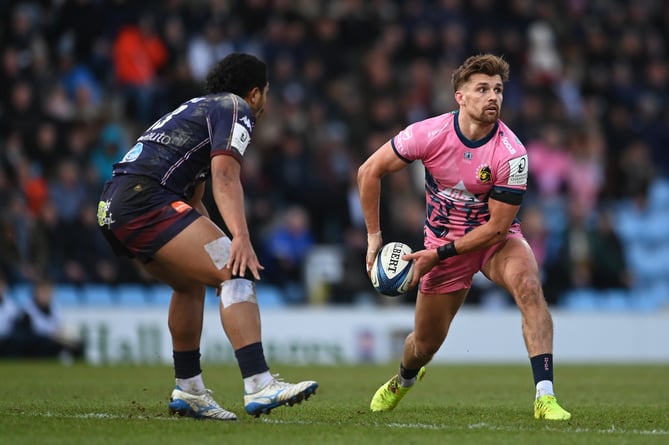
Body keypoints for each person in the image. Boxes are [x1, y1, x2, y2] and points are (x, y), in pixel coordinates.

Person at [97, 53, 318, 420]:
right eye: (266, 93)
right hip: (144, 201)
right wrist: (239, 237)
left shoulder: (198, 109)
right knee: (236, 269)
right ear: (255, 93)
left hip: (115, 205)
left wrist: (215, 240)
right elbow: (225, 176)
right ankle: (259, 384)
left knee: (189, 284)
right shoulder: (235, 108)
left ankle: (189, 390)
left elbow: (194, 202)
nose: (265, 102)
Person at [357, 54, 571, 421]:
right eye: (483, 89)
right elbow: (368, 171)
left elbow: (498, 229)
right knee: (423, 345)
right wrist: (374, 238)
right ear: (460, 96)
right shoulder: (428, 134)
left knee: (529, 286)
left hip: (492, 243)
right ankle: (403, 380)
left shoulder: (512, 154)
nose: (493, 97)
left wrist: (435, 256)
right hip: (443, 244)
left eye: (499, 90)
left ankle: (545, 396)